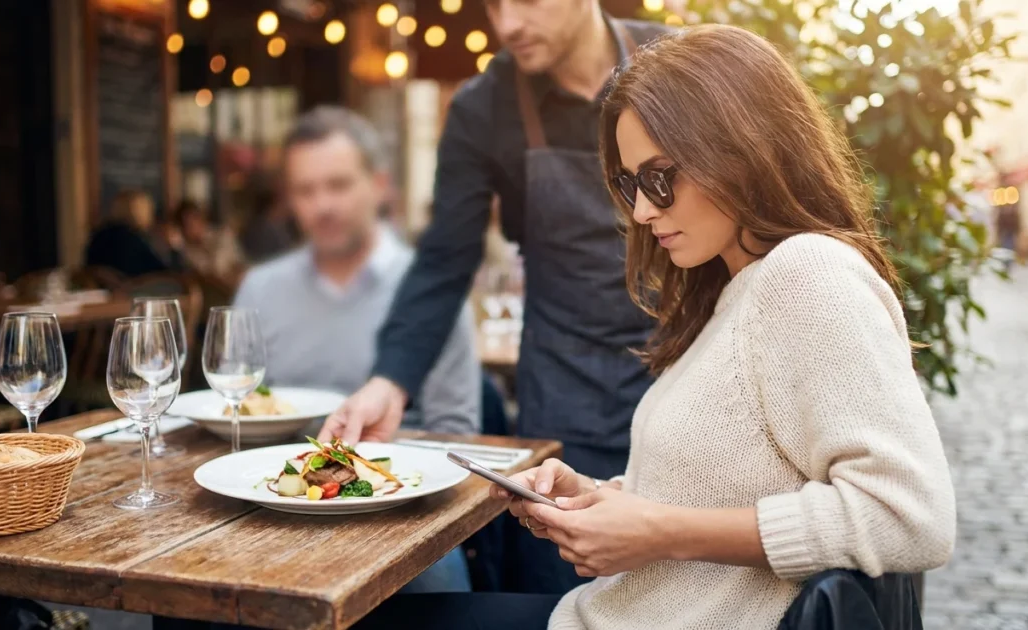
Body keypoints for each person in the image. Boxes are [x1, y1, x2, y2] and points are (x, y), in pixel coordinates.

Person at [348, 24, 957, 630]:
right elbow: (729, 483)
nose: (641, 211)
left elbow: (909, 518)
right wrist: (602, 497)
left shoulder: (808, 275)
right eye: (628, 183)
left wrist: (658, 533)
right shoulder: (729, 290)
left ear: (740, 148)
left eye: (659, 178)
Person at [319, 0, 670, 595]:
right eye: (492, 4)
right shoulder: (484, 107)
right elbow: (444, 260)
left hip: (680, 378)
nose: (506, 24)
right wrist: (392, 380)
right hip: (564, 392)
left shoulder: (673, 64)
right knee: (561, 596)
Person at [234, 105, 479, 589]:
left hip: (405, 521)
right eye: (306, 190)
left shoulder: (430, 293)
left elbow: (459, 435)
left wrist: (376, 482)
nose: (322, 205)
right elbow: (239, 417)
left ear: (380, 185)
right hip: (276, 517)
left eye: (339, 185)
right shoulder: (259, 290)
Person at [85, 190, 178, 278]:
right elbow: (163, 274)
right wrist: (174, 248)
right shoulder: (133, 239)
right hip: (132, 292)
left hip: (98, 293)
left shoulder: (99, 236)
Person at [169, 200, 246, 283]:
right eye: (185, 225)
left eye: (192, 221)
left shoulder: (223, 235)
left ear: (201, 218)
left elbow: (217, 267)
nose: (190, 228)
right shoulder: (187, 251)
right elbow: (208, 271)